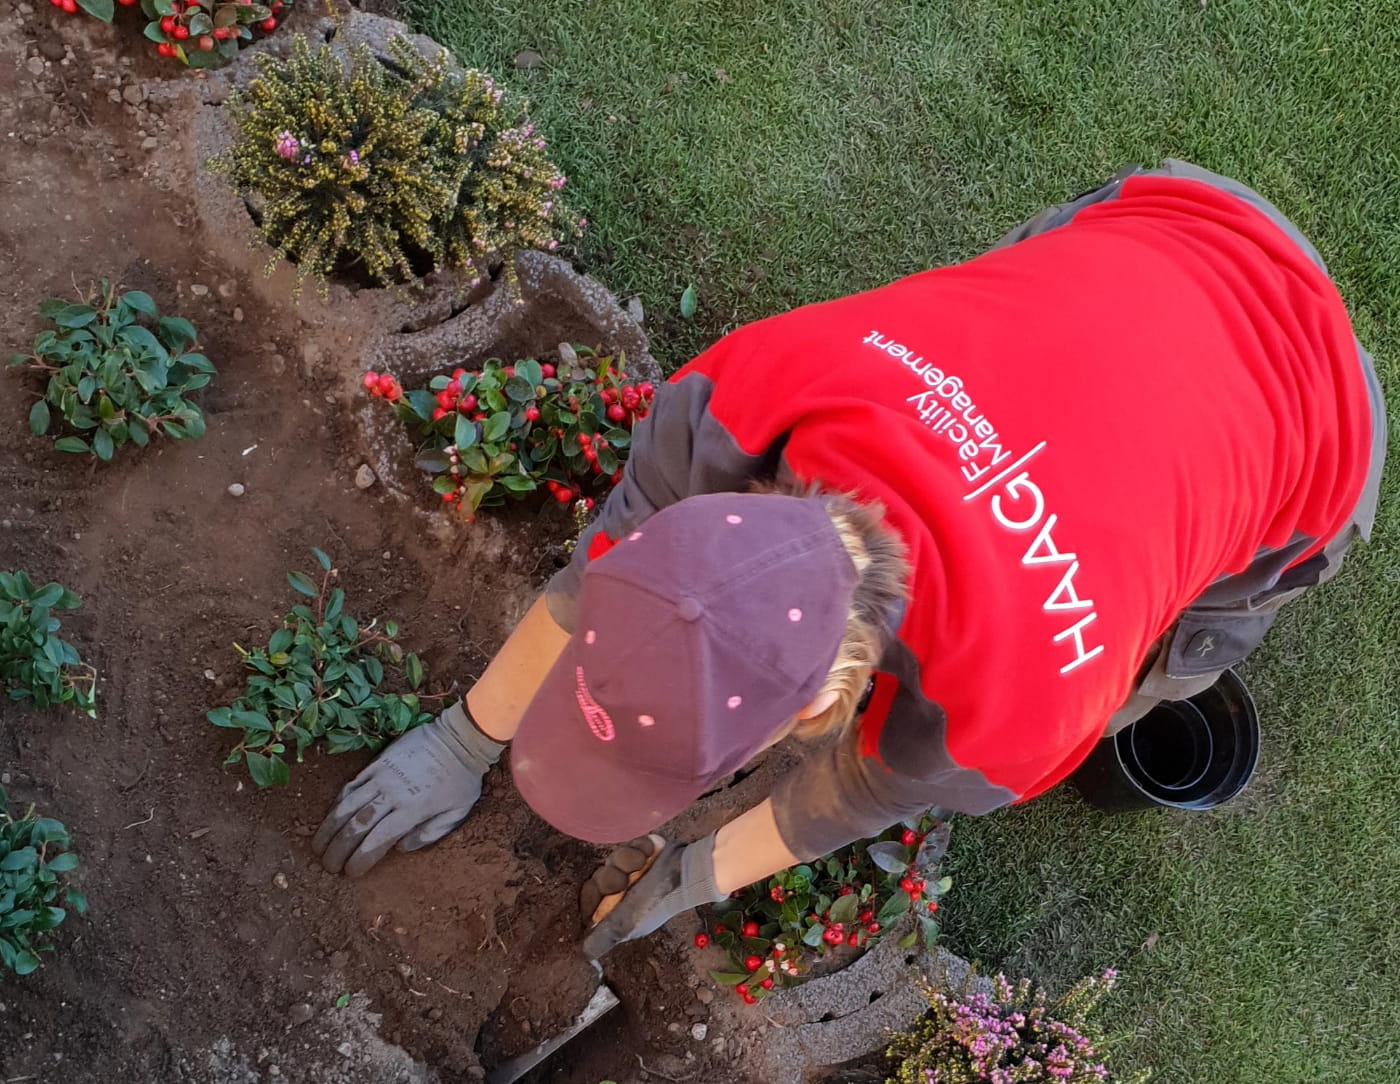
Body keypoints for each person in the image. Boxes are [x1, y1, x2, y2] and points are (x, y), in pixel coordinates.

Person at [312, 160, 1386, 957]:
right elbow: (587, 582)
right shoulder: (747, 391)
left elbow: (842, 798)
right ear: (690, 532)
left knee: (1157, 670)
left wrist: (687, 878)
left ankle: (1171, 571)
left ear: (803, 714)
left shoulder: (1006, 710)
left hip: (1318, 430)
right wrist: (455, 741)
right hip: (1166, 218)